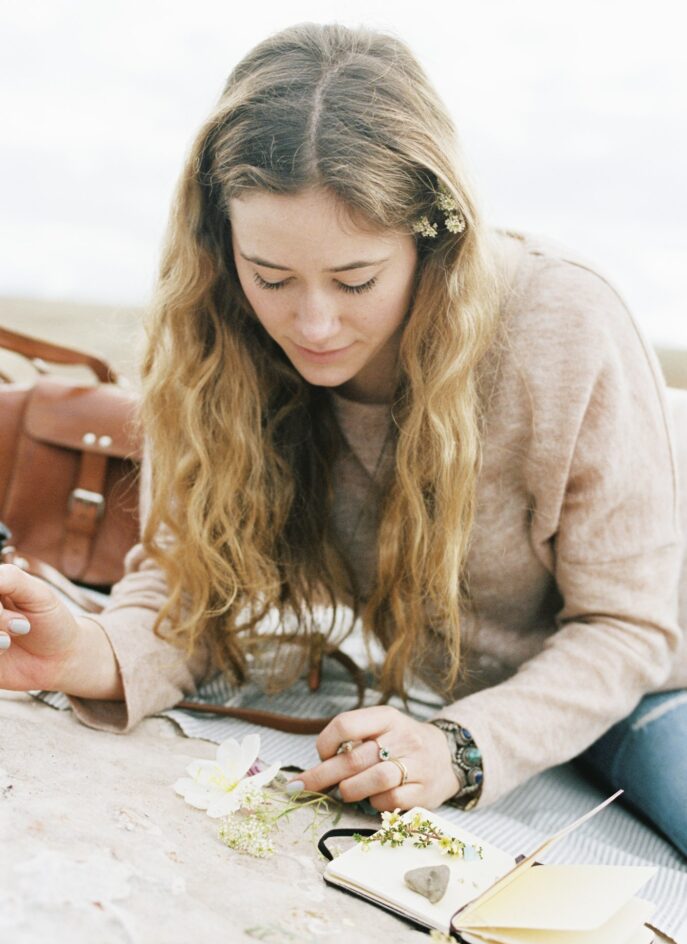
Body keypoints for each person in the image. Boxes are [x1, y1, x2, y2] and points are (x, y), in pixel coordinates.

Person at [1, 23, 686, 853]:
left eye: (356, 279)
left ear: (434, 243)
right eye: (272, 277)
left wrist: (461, 747)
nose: (313, 323)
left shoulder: (563, 322)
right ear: (223, 246)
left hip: (659, 675)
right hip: (516, 689)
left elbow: (631, 627)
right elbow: (185, 588)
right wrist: (86, 650)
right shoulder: (219, 338)